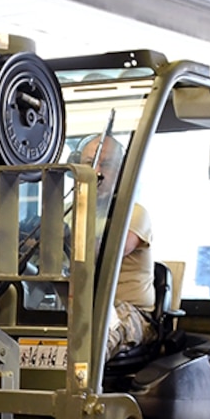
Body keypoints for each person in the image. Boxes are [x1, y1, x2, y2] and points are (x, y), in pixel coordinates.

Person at [78, 134, 154, 358]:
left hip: (127, 311)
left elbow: (106, 254)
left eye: (107, 164)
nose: (97, 171)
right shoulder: (67, 212)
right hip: (78, 306)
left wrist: (62, 238)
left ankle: (82, 389)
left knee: (96, 335)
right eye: (89, 163)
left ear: (122, 172)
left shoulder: (134, 213)